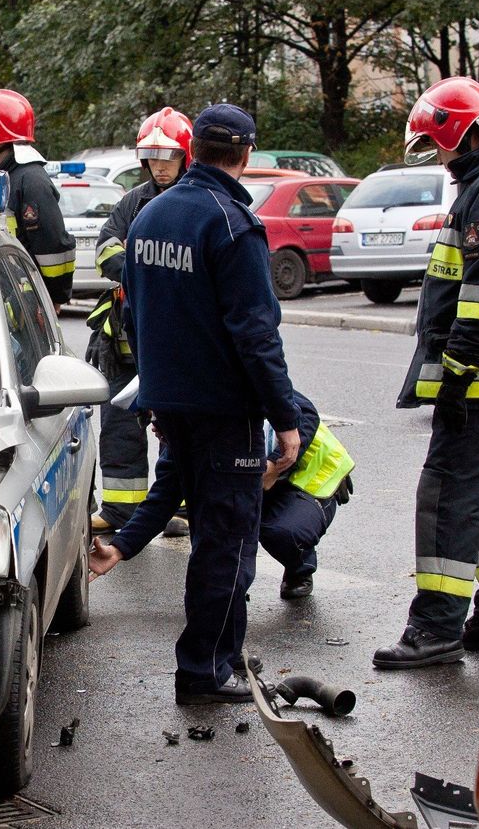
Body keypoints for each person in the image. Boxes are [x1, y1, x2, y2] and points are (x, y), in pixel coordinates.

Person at [119, 103, 301, 704]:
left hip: (171, 404)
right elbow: (255, 334)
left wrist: (155, 395)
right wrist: (285, 418)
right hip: (227, 415)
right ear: (246, 155)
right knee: (226, 545)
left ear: (191, 148)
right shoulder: (232, 225)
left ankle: (213, 660)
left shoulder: (148, 218)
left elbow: (133, 317)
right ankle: (206, 670)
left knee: (209, 537)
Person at [373, 77, 479, 670]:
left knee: (446, 494)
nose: (440, 158)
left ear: (457, 132)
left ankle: (434, 629)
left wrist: (458, 365)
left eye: (438, 144)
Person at [90, 390, 354, 601]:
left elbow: (304, 411)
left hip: (309, 479)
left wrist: (275, 464)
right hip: (258, 484)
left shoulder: (226, 390)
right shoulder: (181, 444)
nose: (153, 429)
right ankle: (231, 596)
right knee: (217, 515)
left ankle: (300, 566)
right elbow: (160, 503)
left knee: (283, 532)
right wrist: (118, 549)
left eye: (154, 419)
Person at [87, 107, 193, 535]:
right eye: (152, 156)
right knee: (118, 426)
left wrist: (145, 263)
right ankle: (120, 511)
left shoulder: (194, 202)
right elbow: (105, 251)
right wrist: (146, 270)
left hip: (176, 346)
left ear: (185, 155)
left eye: (167, 156)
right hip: (125, 344)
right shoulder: (133, 202)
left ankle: (182, 507)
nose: (160, 165)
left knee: (180, 427)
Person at [0, 89, 76, 310]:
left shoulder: (30, 180)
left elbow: (53, 244)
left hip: (29, 302)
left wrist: (52, 298)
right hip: (11, 294)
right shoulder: (9, 176)